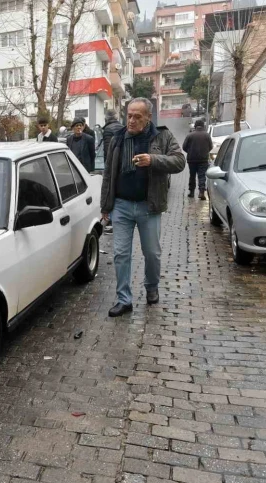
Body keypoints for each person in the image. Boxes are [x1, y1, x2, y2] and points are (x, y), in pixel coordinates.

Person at [100, 98, 185, 318]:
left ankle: (151, 286)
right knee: (120, 254)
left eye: (138, 116)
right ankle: (123, 299)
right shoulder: (118, 138)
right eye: (129, 115)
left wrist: (153, 160)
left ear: (148, 117)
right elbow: (108, 174)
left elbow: (179, 161)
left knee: (152, 253)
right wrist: (105, 206)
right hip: (122, 206)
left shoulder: (161, 136)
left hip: (149, 205)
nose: (132, 120)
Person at [182, 119, 214, 200]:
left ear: (195, 126)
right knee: (202, 176)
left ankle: (192, 192)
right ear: (203, 126)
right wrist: (205, 152)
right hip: (203, 160)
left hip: (191, 160)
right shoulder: (207, 135)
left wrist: (190, 152)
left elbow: (184, 147)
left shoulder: (190, 135)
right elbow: (211, 146)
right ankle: (201, 192)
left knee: (192, 176)